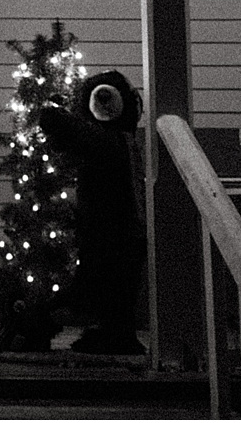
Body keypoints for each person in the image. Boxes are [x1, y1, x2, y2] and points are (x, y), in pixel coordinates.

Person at [38, 69, 148, 355]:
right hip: (109, 232)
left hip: (118, 234)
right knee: (104, 290)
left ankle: (114, 334)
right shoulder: (118, 142)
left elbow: (80, 136)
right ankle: (110, 332)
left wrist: (55, 116)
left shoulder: (115, 143)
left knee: (105, 288)